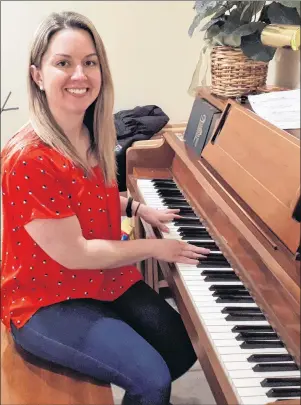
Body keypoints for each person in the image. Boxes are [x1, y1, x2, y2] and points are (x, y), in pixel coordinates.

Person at [1, 11, 210, 405]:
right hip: (45, 299)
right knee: (151, 380)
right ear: (38, 75)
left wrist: (134, 206)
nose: (80, 75)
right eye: (63, 63)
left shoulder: (89, 130)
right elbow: (74, 251)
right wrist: (155, 248)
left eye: (90, 62)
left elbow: (78, 198)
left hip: (101, 278)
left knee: (183, 349)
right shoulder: (28, 157)